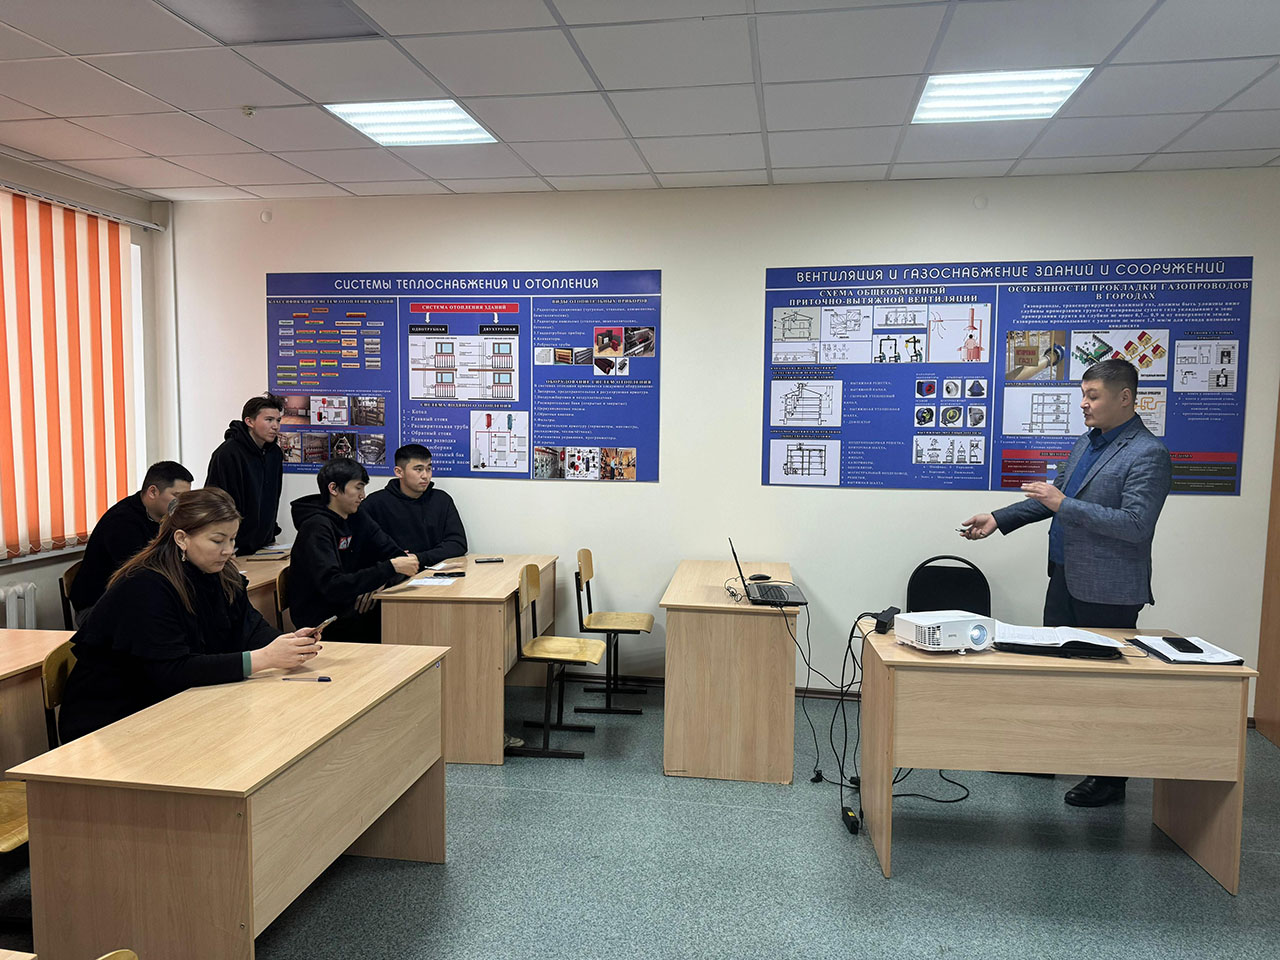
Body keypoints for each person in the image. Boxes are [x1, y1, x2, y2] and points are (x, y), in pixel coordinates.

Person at [959, 358, 1172, 808]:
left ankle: (1109, 778)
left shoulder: (1147, 453)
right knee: (1053, 671)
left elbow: (1135, 524)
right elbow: (1052, 501)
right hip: (1065, 578)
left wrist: (1063, 504)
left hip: (1109, 590)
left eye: (1093, 396)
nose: (1084, 404)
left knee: (1106, 686)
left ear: (1125, 398)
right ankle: (1046, 756)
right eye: (1083, 395)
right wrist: (998, 519)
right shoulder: (1086, 443)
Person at [59, 488, 323, 743]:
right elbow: (172, 670)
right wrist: (264, 658)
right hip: (114, 720)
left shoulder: (221, 574)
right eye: (217, 541)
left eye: (232, 539)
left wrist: (288, 644)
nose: (228, 550)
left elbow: (248, 626)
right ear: (181, 539)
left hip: (175, 703)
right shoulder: (145, 586)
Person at [288, 458, 420, 644]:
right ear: (333, 489)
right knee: (400, 625)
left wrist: (381, 581)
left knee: (405, 618)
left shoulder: (357, 516)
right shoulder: (316, 527)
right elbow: (333, 586)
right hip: (325, 620)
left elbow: (398, 557)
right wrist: (387, 570)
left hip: (353, 607)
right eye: (358, 488)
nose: (363, 495)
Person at [69, 460, 194, 624]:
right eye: (177, 496)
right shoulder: (122, 522)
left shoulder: (165, 517)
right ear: (153, 492)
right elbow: (140, 576)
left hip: (135, 597)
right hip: (97, 607)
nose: (181, 504)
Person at [360, 444, 468, 567]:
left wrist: (418, 558)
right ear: (399, 472)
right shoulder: (375, 503)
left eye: (428, 469)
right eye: (418, 469)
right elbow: (362, 548)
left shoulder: (441, 500)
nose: (425, 476)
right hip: (393, 573)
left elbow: (458, 543)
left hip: (435, 571)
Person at [205, 392, 285, 555]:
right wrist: (225, 543)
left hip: (264, 544)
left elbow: (273, 497)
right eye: (269, 420)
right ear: (250, 421)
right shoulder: (227, 454)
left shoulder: (274, 453)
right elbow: (216, 502)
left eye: (278, 420)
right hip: (234, 545)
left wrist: (270, 533)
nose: (275, 426)